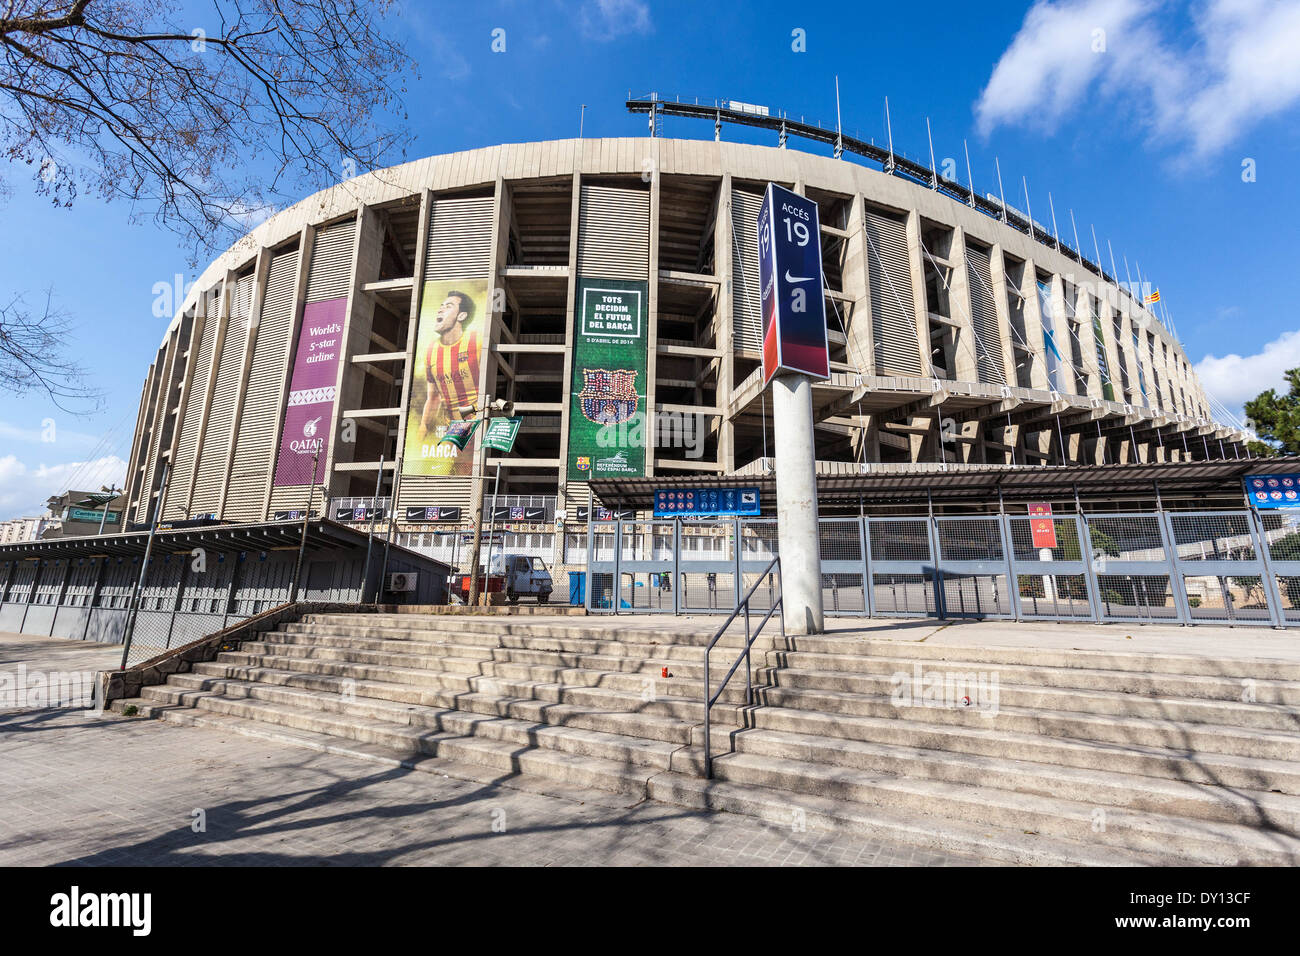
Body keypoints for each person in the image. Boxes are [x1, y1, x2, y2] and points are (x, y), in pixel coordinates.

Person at [417, 290, 480, 475]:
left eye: (448, 306)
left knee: (467, 474)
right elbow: (434, 397)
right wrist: (423, 427)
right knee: (442, 473)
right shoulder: (430, 351)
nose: (441, 309)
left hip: (475, 426)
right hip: (450, 430)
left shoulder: (476, 341)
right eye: (441, 305)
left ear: (461, 315)